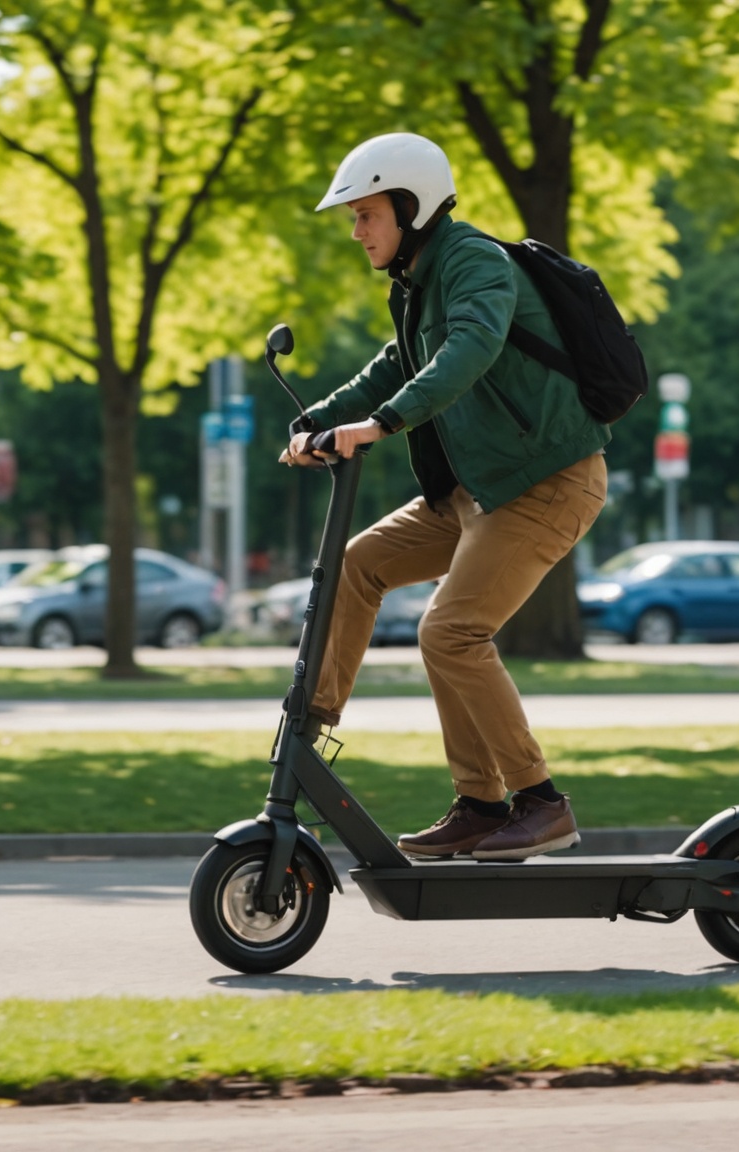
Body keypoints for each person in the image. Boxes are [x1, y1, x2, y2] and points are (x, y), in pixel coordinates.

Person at [283, 133, 609, 861]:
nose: (356, 230)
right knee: (359, 563)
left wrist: (382, 424)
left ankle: (539, 802)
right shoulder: (419, 284)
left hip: (546, 483)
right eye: (353, 217)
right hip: (477, 491)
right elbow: (392, 366)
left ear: (411, 206)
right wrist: (319, 420)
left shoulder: (475, 264)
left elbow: (472, 348)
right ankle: (325, 733)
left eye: (366, 213)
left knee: (451, 632)